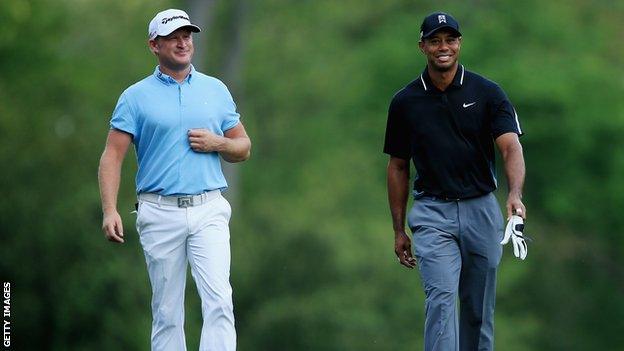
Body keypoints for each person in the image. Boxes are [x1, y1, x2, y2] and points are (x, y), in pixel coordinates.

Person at [98, 8, 250, 351]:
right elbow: (112, 156)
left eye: (187, 36)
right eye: (173, 38)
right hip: (159, 211)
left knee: (219, 300)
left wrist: (219, 143)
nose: (183, 44)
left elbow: (243, 147)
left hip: (208, 207)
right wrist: (110, 210)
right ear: (154, 45)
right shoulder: (135, 97)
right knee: (166, 312)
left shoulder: (215, 89)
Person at [383, 12, 526, 351]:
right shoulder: (405, 102)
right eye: (434, 41)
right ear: (422, 47)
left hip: (481, 209)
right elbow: (398, 166)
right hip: (433, 213)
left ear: (459, 43)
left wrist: (515, 193)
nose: (443, 47)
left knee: (478, 309)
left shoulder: (488, 92)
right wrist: (398, 229)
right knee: (442, 300)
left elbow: (510, 146)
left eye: (450, 40)